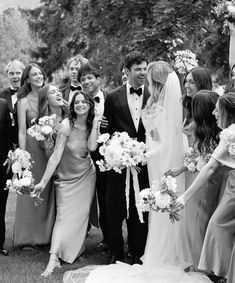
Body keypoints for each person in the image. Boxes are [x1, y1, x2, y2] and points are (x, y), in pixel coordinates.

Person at [63, 62, 213, 283]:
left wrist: (140, 155)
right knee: (138, 207)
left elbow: (167, 141)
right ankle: (133, 248)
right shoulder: (124, 97)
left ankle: (165, 252)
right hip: (149, 161)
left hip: (157, 161)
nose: (145, 79)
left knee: (160, 208)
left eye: (149, 75)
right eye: (140, 71)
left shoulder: (173, 106)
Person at [34, 91, 99, 276]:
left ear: (89, 105)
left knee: (80, 217)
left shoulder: (91, 123)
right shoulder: (65, 125)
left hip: (86, 175)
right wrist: (43, 182)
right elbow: (56, 155)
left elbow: (92, 147)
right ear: (72, 106)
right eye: (76, 102)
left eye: (83, 102)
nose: (80, 105)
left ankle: (75, 250)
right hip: (66, 178)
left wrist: (94, 125)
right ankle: (53, 258)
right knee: (63, 217)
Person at [174, 92, 235, 282]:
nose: (214, 112)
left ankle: (223, 272)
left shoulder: (229, 133)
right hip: (231, 183)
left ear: (227, 112)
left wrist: (184, 197)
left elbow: (210, 168)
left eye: (218, 109)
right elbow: (209, 165)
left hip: (228, 184)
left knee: (216, 224)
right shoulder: (228, 133)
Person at [14, 63, 55, 247]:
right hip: (31, 150)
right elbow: (22, 131)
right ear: (27, 79)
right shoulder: (22, 101)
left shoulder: (49, 95)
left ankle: (46, 236)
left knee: (47, 190)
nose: (38, 76)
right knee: (30, 190)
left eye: (40, 73)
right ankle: (28, 237)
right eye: (34, 74)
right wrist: (22, 157)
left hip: (49, 148)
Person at [78, 64, 107, 245]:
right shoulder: (80, 102)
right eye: (83, 80)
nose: (86, 82)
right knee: (84, 199)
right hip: (84, 158)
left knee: (106, 199)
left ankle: (109, 239)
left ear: (98, 79)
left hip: (107, 157)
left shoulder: (111, 98)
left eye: (90, 78)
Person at [0, 60, 25, 146]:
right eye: (11, 73)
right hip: (5, 143)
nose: (15, 76)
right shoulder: (1, 95)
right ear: (7, 75)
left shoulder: (30, 94)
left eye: (18, 73)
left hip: (26, 141)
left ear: (24, 75)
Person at [0, 99, 13, 256]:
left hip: (1, 164)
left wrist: (11, 155)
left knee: (1, 205)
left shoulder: (3, 104)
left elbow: (9, 133)